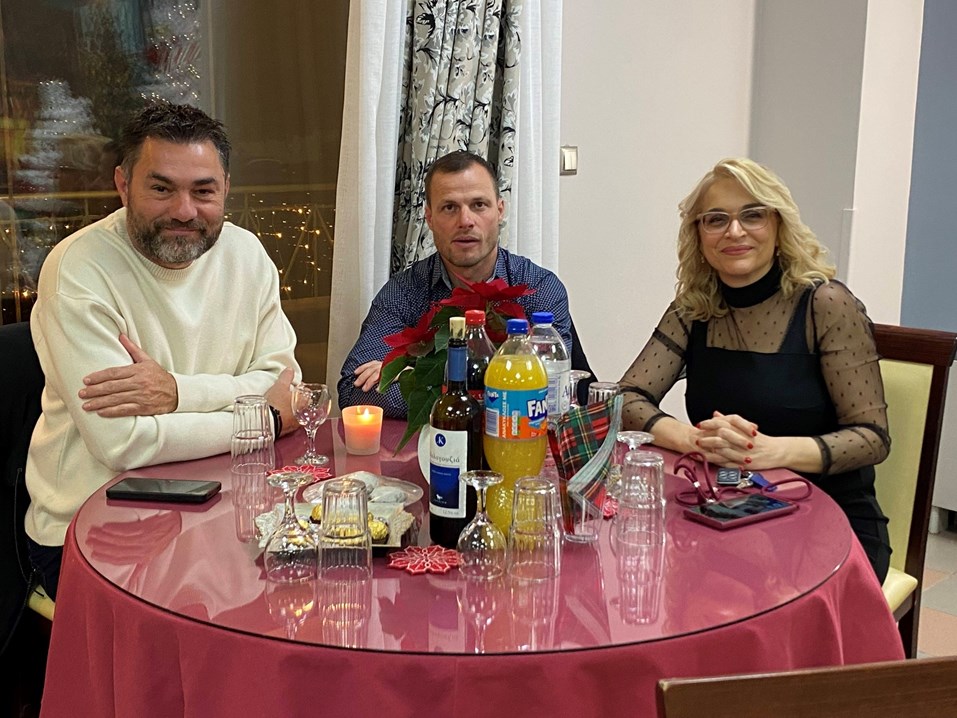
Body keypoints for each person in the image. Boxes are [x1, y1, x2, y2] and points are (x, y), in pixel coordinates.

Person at [24, 103, 300, 598]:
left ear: (226, 188)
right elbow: (123, 444)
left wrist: (176, 393)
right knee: (196, 635)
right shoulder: (79, 271)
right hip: (101, 523)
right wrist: (266, 422)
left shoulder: (246, 255)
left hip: (223, 507)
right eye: (161, 189)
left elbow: (283, 383)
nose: (184, 211)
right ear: (123, 185)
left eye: (203, 191)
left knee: (303, 601)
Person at [619, 157, 891, 582]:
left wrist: (769, 452)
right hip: (729, 508)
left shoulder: (825, 304)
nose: (734, 231)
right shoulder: (693, 310)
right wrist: (693, 440)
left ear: (778, 224)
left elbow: (872, 439)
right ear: (698, 234)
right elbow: (626, 397)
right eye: (716, 219)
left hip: (829, 523)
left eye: (752, 215)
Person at [339, 150, 573, 417]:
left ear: (500, 211)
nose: (465, 221)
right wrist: (497, 394)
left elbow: (549, 394)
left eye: (479, 205)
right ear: (429, 218)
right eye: (449, 208)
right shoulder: (403, 292)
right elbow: (353, 390)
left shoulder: (538, 288)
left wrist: (423, 380)